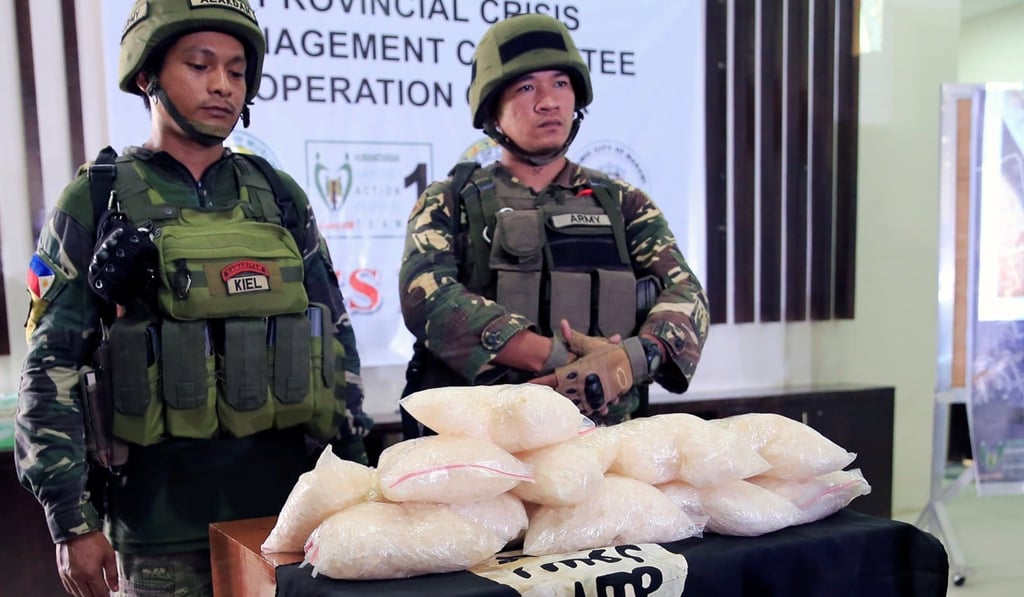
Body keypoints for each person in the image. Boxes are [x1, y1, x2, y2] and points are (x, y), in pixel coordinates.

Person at [15, 1, 372, 595]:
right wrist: (70, 520)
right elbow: (50, 365)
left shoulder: (278, 196)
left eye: (236, 71)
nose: (222, 86)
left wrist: (356, 475)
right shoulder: (97, 198)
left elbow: (333, 338)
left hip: (289, 518)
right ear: (148, 74)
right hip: (157, 528)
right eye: (199, 65)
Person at [398, 13, 710, 437]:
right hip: (484, 446)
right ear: (492, 110)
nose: (549, 101)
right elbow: (428, 298)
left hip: (602, 441)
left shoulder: (621, 202)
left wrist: (627, 362)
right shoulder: (450, 199)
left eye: (560, 84)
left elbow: (686, 294)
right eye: (527, 87)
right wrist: (557, 358)